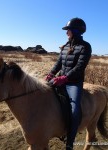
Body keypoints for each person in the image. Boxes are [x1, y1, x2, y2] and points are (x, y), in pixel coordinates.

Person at [46, 18, 92, 150]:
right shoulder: (66, 46)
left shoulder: (85, 46)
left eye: (68, 30)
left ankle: (70, 142)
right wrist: (51, 73)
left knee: (74, 109)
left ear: (76, 31)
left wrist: (65, 77)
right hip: (60, 79)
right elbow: (59, 63)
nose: (66, 33)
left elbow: (80, 67)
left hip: (73, 83)